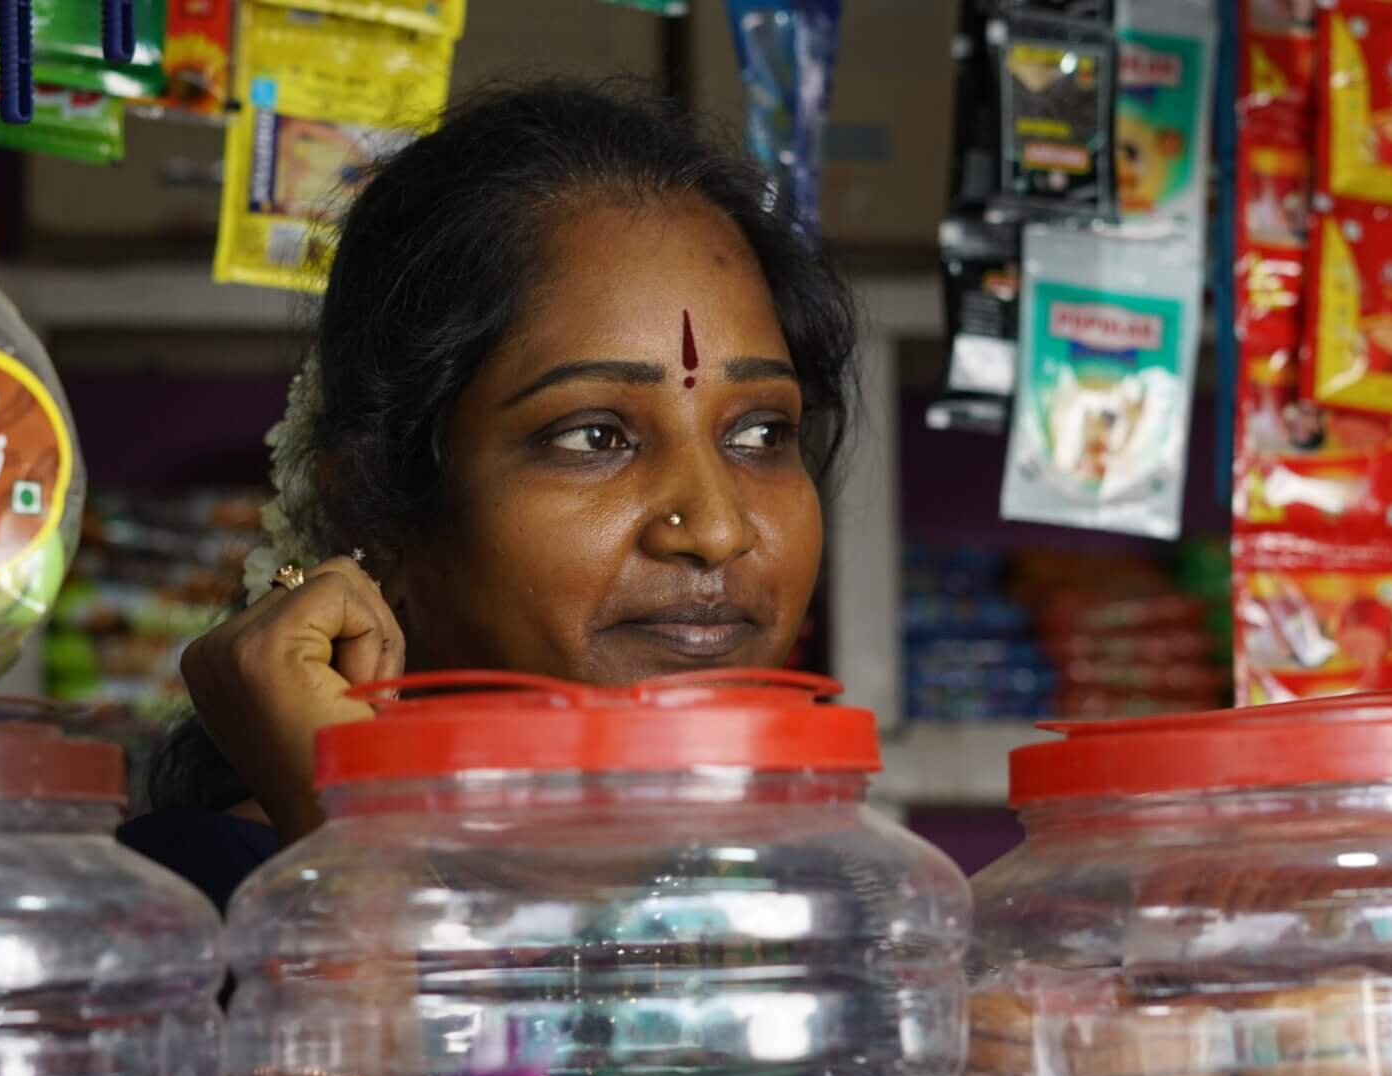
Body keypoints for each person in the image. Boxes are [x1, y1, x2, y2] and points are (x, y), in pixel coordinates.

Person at [121, 82, 859, 908]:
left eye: (760, 433)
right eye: (595, 436)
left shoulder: (828, 901)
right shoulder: (184, 908)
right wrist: (345, 831)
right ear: (375, 504)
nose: (718, 529)